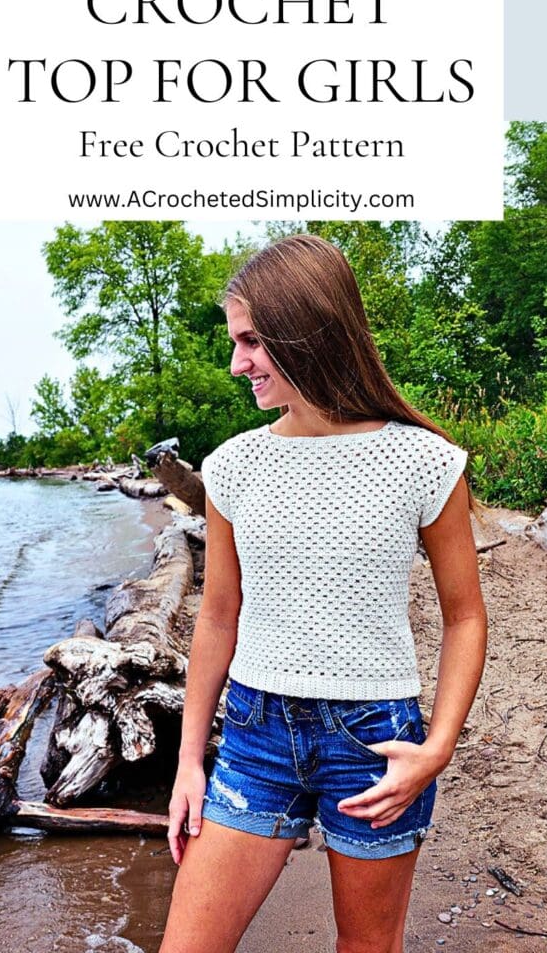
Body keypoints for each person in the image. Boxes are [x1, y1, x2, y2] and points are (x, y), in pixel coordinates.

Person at [158, 234, 487, 953]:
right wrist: (189, 762)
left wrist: (437, 749)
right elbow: (217, 618)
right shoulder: (233, 465)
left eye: (250, 341)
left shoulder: (425, 461)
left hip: (373, 743)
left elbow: (465, 618)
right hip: (252, 739)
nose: (237, 361)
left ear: (305, 330)